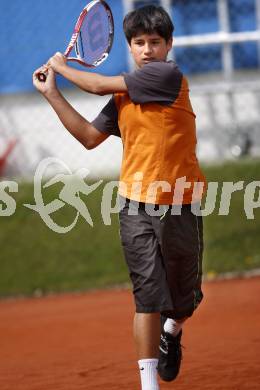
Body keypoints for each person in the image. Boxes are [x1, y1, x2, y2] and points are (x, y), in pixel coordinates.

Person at [33, 4, 206, 390]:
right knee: (147, 294)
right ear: (129, 46)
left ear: (169, 45)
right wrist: (52, 93)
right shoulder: (123, 97)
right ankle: (149, 385)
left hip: (179, 201)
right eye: (139, 43)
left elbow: (95, 84)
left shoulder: (168, 76)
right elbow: (89, 138)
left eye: (155, 43)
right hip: (134, 205)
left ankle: (173, 329)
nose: (147, 50)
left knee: (183, 300)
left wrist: (61, 66)